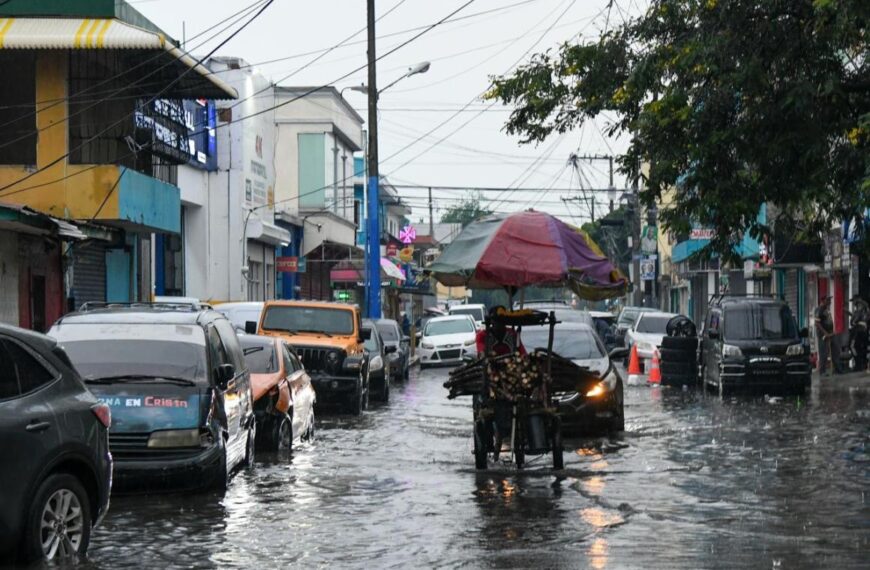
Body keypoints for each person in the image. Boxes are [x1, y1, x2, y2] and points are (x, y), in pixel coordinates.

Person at [815, 296, 842, 375]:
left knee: (835, 350)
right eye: (828, 300)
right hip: (823, 335)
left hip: (831, 333)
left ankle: (837, 369)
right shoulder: (819, 310)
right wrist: (825, 333)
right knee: (824, 353)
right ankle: (822, 371)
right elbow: (817, 323)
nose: (830, 302)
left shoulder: (826, 309)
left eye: (830, 300)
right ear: (823, 301)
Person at [849, 295, 869, 372]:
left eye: (853, 301)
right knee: (862, 347)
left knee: (852, 346)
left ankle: (858, 364)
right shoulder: (866, 308)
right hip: (864, 329)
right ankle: (863, 364)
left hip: (857, 330)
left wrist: (852, 321)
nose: (853, 303)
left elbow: (854, 321)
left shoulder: (859, 307)